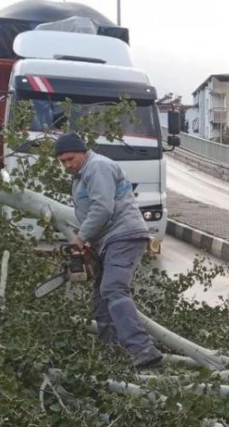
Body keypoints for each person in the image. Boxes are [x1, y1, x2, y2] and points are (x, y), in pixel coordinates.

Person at [54, 132, 163, 369]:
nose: (67, 165)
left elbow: (103, 208)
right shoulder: (80, 175)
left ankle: (143, 349)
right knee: (102, 298)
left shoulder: (98, 167)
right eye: (62, 161)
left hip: (123, 235)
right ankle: (111, 353)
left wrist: (81, 238)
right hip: (108, 240)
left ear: (83, 151)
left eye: (70, 159)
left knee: (113, 288)